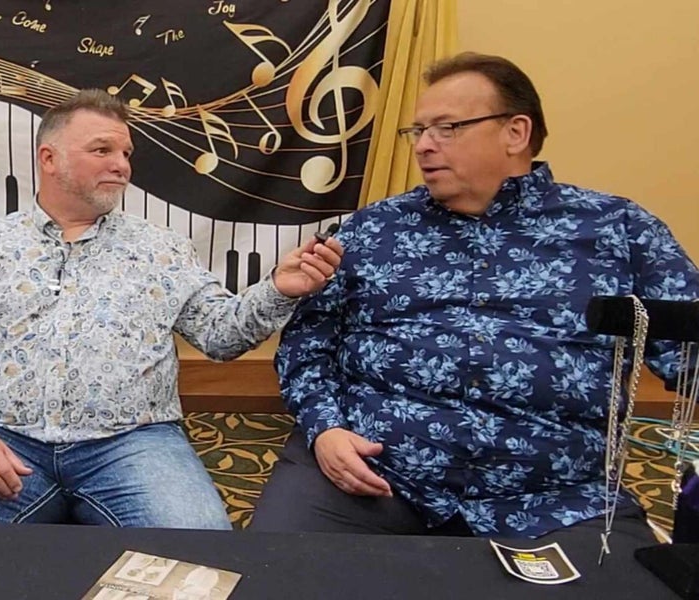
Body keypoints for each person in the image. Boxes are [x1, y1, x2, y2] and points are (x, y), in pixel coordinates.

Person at [251, 53, 699, 543]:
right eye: (418, 131)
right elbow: (306, 347)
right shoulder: (373, 229)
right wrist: (325, 430)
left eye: (447, 128)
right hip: (371, 476)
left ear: (516, 132)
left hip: (555, 499)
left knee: (629, 581)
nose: (424, 145)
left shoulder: (619, 231)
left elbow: (689, 354)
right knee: (270, 571)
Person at [0, 90, 343, 529]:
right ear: (48, 158)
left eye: (126, 153)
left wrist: (278, 289)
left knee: (199, 553)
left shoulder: (161, 249)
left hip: (133, 442)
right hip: (1, 437)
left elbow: (219, 335)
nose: (122, 165)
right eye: (102, 150)